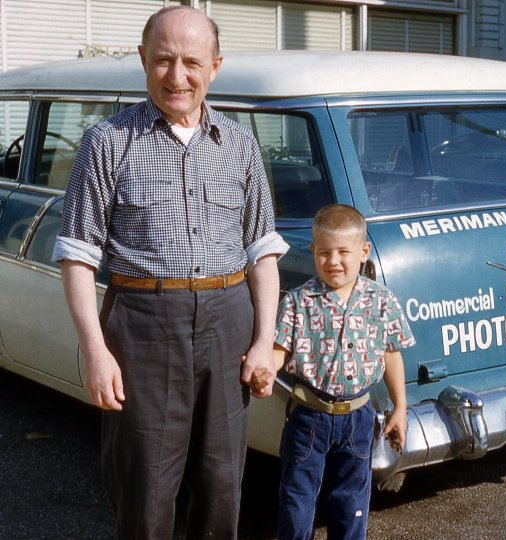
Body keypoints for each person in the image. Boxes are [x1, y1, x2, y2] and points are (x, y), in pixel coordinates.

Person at [52, 6, 288, 539]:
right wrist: (94, 350)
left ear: (215, 65)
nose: (176, 77)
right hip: (142, 323)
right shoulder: (106, 142)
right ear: (142, 60)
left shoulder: (241, 144)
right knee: (145, 485)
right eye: (162, 60)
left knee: (223, 482)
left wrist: (263, 340)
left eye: (190, 62)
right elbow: (77, 255)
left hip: (229, 320)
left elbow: (263, 251)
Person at [258, 204, 414, 540]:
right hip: (308, 418)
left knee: (351, 505)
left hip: (358, 419)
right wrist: (264, 371)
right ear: (313, 251)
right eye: (324, 252)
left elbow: (391, 354)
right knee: (296, 504)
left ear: (363, 252)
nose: (333, 262)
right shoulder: (299, 301)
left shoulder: (380, 301)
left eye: (344, 252)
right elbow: (278, 351)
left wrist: (400, 406)